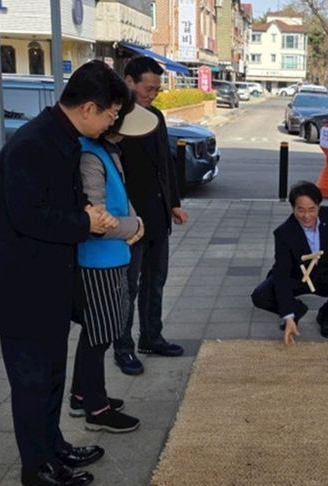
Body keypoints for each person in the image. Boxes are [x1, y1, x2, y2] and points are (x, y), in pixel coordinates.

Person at [0, 60, 125, 486]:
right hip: (21, 290)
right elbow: (28, 217)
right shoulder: (33, 144)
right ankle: (37, 469)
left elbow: (57, 202)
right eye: (111, 114)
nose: (112, 122)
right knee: (32, 384)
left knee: (52, 377)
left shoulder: (63, 138)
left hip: (48, 286)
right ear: (89, 108)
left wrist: (85, 212)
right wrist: (85, 221)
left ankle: (54, 448)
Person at [69, 93, 159, 433]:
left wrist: (135, 222)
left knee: (97, 332)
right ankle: (97, 408)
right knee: (100, 335)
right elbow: (97, 219)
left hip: (112, 256)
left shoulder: (106, 151)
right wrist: (133, 227)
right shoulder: (90, 155)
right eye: (116, 120)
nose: (119, 130)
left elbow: (121, 198)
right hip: (97, 260)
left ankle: (82, 396)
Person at [113, 56, 189, 375]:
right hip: (129, 222)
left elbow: (165, 164)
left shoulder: (155, 116)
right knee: (128, 288)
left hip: (158, 217)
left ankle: (151, 336)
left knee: (155, 281)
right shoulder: (114, 120)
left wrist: (174, 203)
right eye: (148, 88)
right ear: (129, 82)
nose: (153, 95)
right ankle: (123, 347)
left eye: (157, 90)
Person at [251, 182, 328, 344]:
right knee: (260, 295)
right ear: (293, 208)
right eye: (300, 210)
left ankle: (325, 317)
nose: (306, 216)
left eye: (312, 209)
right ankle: (296, 310)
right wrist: (288, 315)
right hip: (297, 276)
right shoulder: (284, 233)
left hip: (327, 273)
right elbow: (282, 273)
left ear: (319, 206)